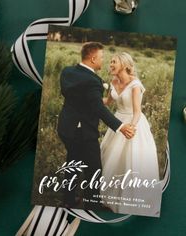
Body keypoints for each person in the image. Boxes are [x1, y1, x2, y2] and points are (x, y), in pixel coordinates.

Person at [57, 42, 135, 209]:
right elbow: (98, 108)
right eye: (101, 57)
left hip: (65, 127)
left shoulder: (67, 72)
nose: (103, 61)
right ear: (93, 58)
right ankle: (93, 204)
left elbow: (74, 95)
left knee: (73, 161)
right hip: (83, 133)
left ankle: (68, 199)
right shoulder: (93, 81)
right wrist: (121, 127)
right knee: (94, 169)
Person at [101, 52, 161, 215]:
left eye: (114, 62)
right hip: (117, 121)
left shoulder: (135, 85)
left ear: (124, 65)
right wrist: (90, 98)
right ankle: (109, 196)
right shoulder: (113, 81)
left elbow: (136, 112)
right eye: (110, 62)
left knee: (130, 160)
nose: (110, 64)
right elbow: (108, 101)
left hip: (132, 123)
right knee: (111, 156)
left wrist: (131, 129)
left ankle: (132, 200)